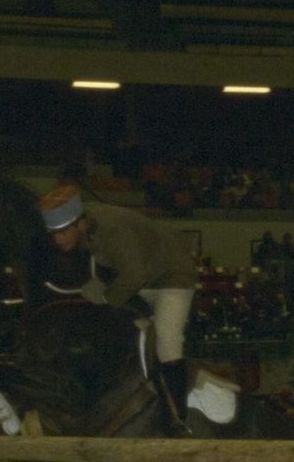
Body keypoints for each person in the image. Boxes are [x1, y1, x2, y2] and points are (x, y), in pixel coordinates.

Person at [37, 182, 198, 428]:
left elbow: (135, 276)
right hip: (142, 275)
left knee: (167, 344)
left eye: (61, 233)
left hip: (171, 278)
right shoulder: (83, 222)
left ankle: (177, 418)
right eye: (53, 234)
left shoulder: (112, 229)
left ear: (79, 224)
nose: (57, 240)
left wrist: (106, 298)